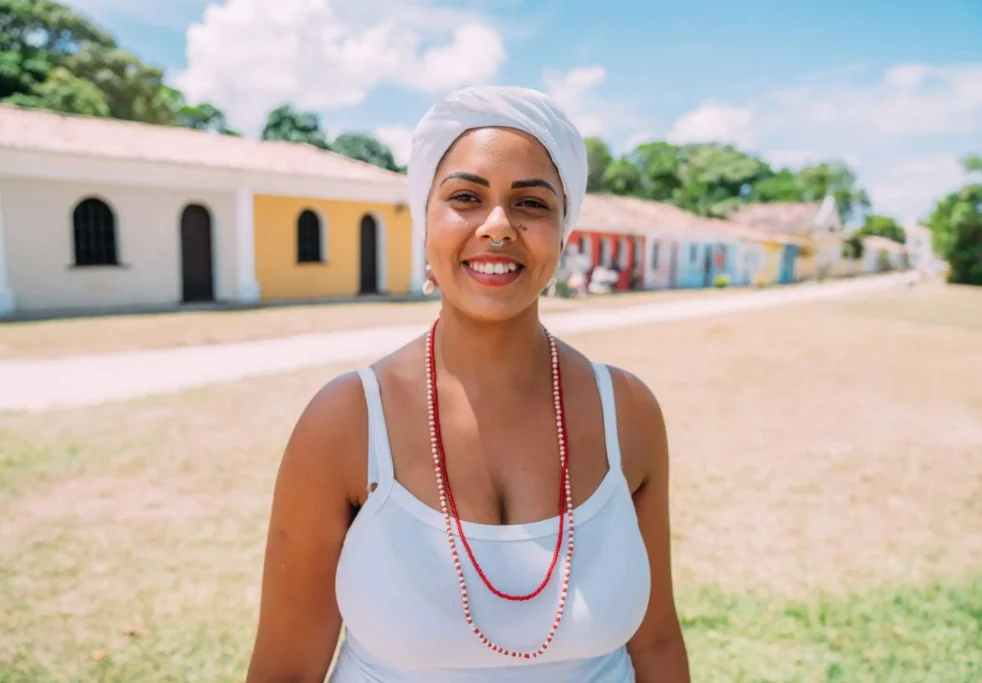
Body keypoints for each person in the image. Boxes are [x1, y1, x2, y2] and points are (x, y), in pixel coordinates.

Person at [245, 86, 690, 683]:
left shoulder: (627, 413)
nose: (498, 226)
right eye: (465, 198)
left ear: (564, 233)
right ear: (425, 224)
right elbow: (285, 671)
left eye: (531, 203)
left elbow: (657, 643)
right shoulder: (347, 421)